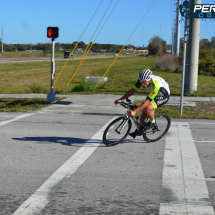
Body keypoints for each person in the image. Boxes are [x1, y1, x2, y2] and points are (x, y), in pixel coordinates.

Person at [115, 69, 170, 139]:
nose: (142, 84)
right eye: (141, 82)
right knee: (144, 110)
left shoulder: (156, 85)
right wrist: (121, 99)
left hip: (163, 95)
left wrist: (134, 112)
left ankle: (153, 122)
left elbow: (147, 102)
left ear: (149, 80)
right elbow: (133, 90)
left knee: (147, 107)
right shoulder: (142, 79)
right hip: (153, 93)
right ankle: (141, 129)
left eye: (144, 82)